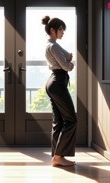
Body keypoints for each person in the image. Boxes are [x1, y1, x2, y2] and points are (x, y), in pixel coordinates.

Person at [42, 16, 77, 167]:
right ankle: (58, 156)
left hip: (53, 82)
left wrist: (67, 59)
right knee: (71, 119)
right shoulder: (53, 46)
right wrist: (69, 62)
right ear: (52, 30)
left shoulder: (52, 44)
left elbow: (67, 55)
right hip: (57, 83)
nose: (63, 32)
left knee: (59, 122)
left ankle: (57, 157)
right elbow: (67, 65)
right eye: (61, 29)